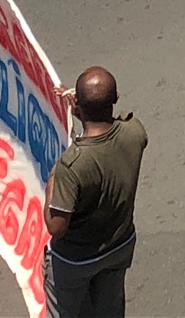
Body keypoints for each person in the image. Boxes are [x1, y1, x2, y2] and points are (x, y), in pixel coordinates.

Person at [45, 66, 147, 318]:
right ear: (116, 98)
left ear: (77, 103)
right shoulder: (135, 132)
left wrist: (52, 180)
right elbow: (108, 136)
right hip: (119, 246)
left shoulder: (71, 165)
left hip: (75, 261)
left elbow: (56, 227)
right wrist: (84, 113)